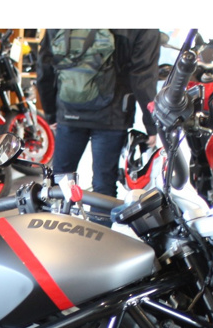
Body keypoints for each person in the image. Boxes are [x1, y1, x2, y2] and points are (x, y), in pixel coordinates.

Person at [37, 29, 161, 203]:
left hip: (69, 109)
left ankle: (56, 219)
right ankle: (99, 221)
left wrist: (51, 112)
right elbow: (143, 78)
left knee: (60, 181)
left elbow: (44, 69)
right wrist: (152, 124)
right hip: (113, 114)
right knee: (104, 184)